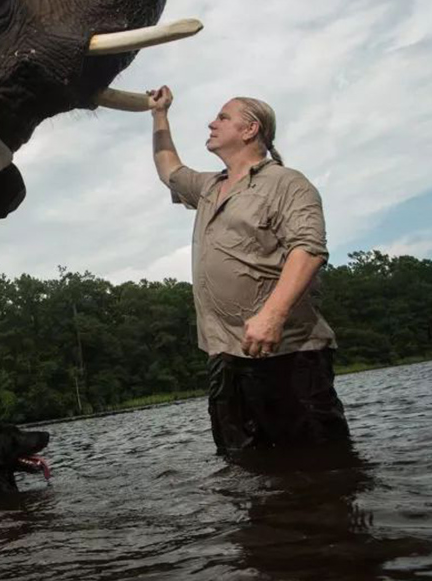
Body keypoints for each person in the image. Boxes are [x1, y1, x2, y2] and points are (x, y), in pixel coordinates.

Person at [147, 85, 349, 453]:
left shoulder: (288, 183)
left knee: (321, 468)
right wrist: (159, 115)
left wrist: (273, 315)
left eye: (223, 117)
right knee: (246, 472)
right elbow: (169, 170)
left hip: (289, 353)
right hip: (225, 358)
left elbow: (309, 248)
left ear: (250, 129)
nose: (212, 123)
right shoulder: (209, 187)